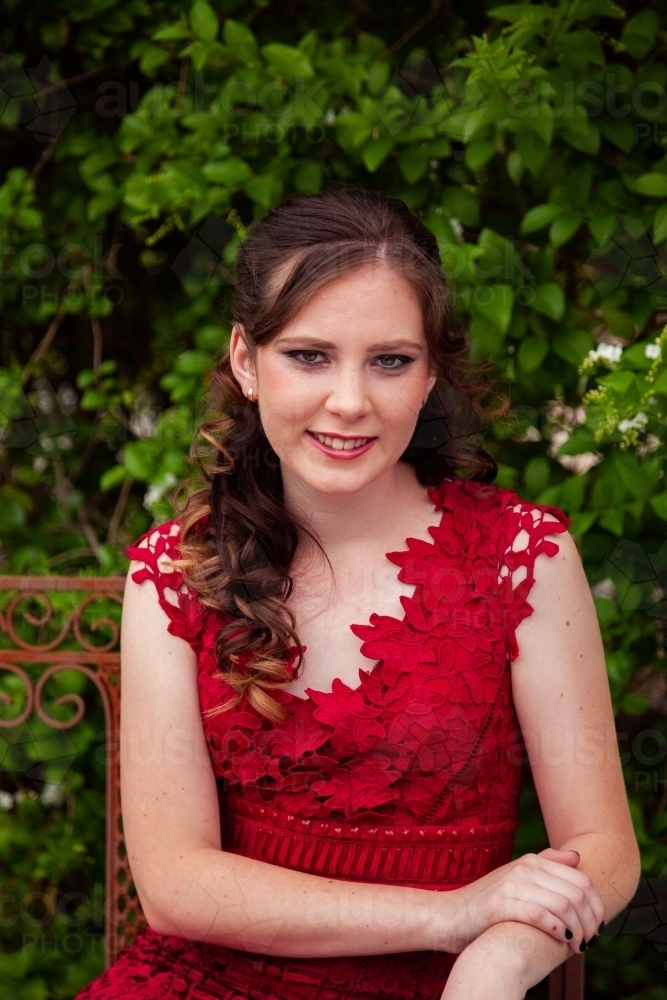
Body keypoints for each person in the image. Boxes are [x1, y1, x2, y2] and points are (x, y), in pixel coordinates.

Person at [76, 188, 640, 1000]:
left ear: (430, 371)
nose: (350, 401)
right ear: (245, 361)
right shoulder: (176, 571)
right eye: (308, 355)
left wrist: (499, 956)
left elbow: (603, 847)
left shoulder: (520, 556)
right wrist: (450, 916)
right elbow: (174, 887)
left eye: (389, 360)